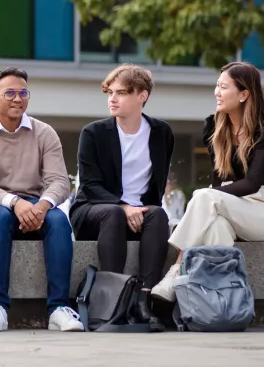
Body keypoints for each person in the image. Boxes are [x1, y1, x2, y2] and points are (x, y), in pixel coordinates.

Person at [152, 61, 264, 302]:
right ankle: (210, 300)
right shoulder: (213, 127)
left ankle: (177, 267)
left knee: (204, 196)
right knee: (215, 228)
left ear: (244, 94)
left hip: (262, 211)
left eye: (224, 87)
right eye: (217, 85)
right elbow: (219, 178)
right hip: (227, 205)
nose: (217, 92)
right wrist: (214, 199)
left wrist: (212, 196)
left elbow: (252, 183)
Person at [0, 67, 83, 333]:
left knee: (59, 220)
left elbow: (59, 181)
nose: (18, 99)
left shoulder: (45, 133)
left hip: (36, 205)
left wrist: (41, 206)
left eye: (23, 93)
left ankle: (58, 309)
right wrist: (15, 203)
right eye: (10, 93)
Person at [70, 64, 173, 331]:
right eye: (110, 92)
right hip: (93, 211)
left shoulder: (162, 133)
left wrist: (139, 210)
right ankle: (112, 302)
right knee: (114, 213)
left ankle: (143, 301)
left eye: (122, 93)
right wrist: (125, 207)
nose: (112, 99)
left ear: (142, 96)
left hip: (138, 214)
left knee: (159, 214)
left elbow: (157, 188)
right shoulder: (93, 133)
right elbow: (90, 187)